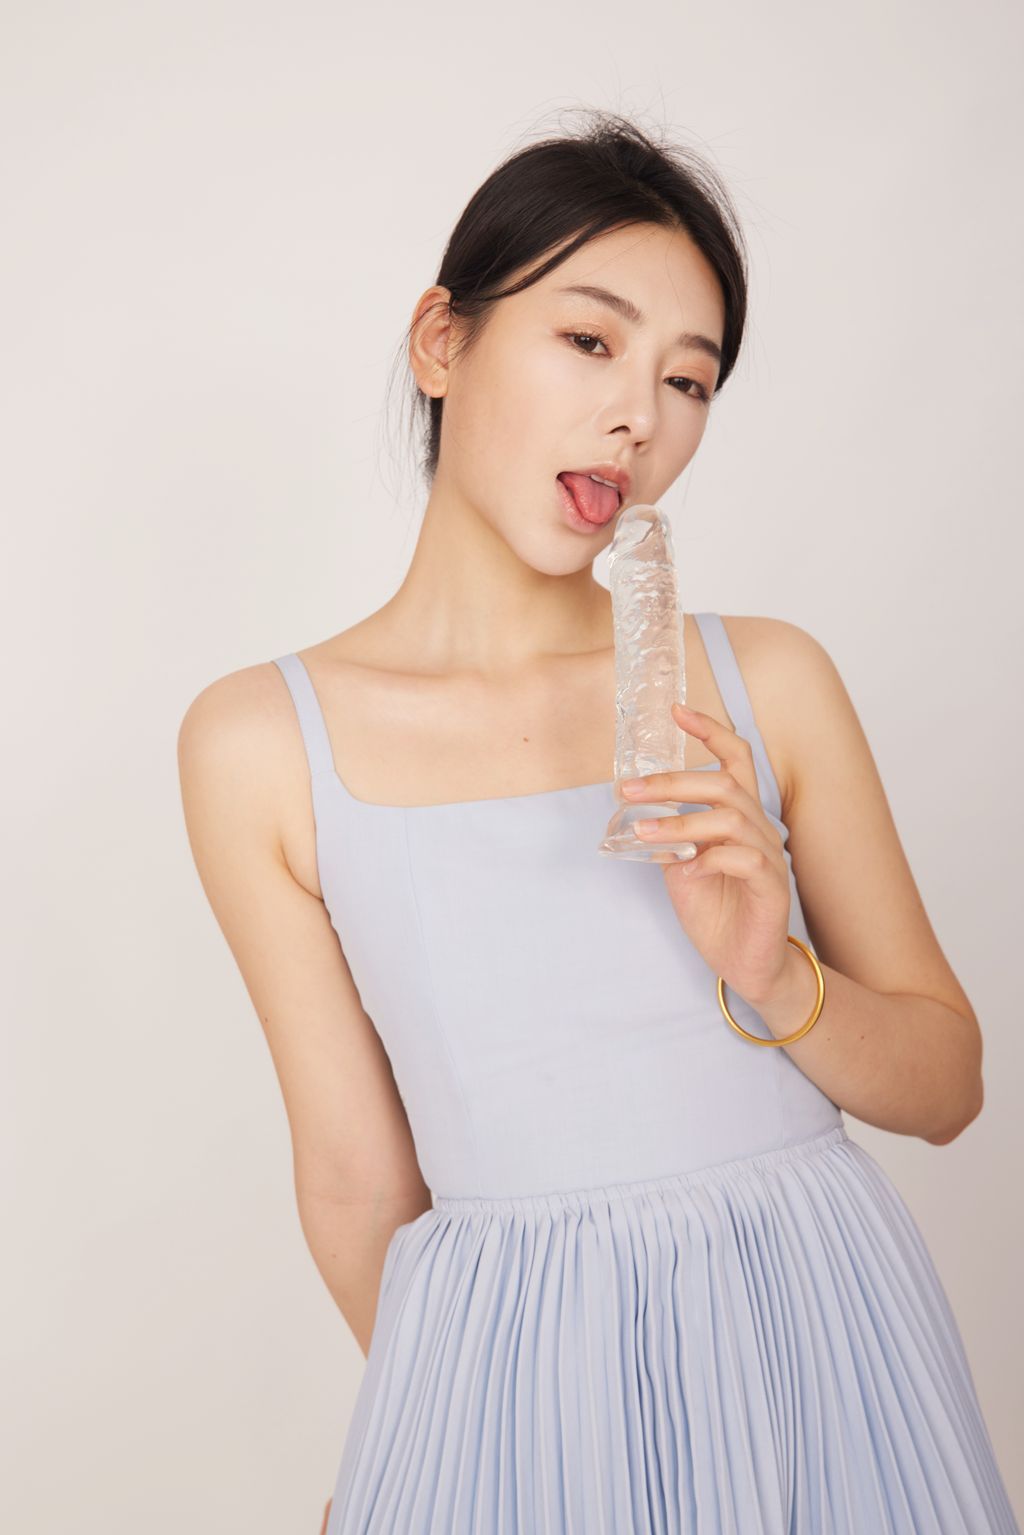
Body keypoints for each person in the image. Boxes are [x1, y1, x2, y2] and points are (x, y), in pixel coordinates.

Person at [178, 111, 1020, 1534]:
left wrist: (776, 977)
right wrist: (427, 1454)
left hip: (819, 1344)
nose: (642, 417)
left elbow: (947, 1087)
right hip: (514, 1381)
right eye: (589, 341)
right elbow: (356, 1178)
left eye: (689, 380)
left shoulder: (763, 683)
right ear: (441, 342)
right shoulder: (261, 745)